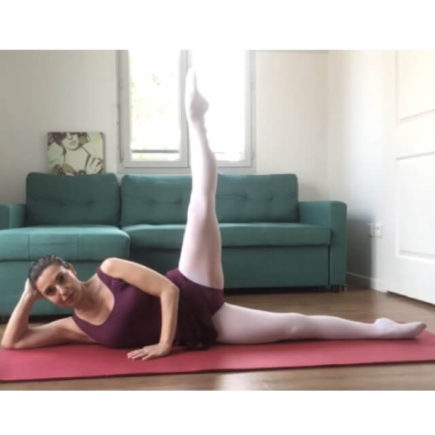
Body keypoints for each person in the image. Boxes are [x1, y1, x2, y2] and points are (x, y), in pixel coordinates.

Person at [1, 71, 426, 360]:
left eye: (60, 278)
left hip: (192, 289)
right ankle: (379, 329)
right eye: (50, 292)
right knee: (295, 326)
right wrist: (27, 295)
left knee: (200, 204)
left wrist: (165, 345)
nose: (61, 291)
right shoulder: (73, 327)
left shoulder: (110, 269)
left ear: (71, 269)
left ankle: (196, 118)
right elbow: (11, 344)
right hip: (210, 327)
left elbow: (168, 293)